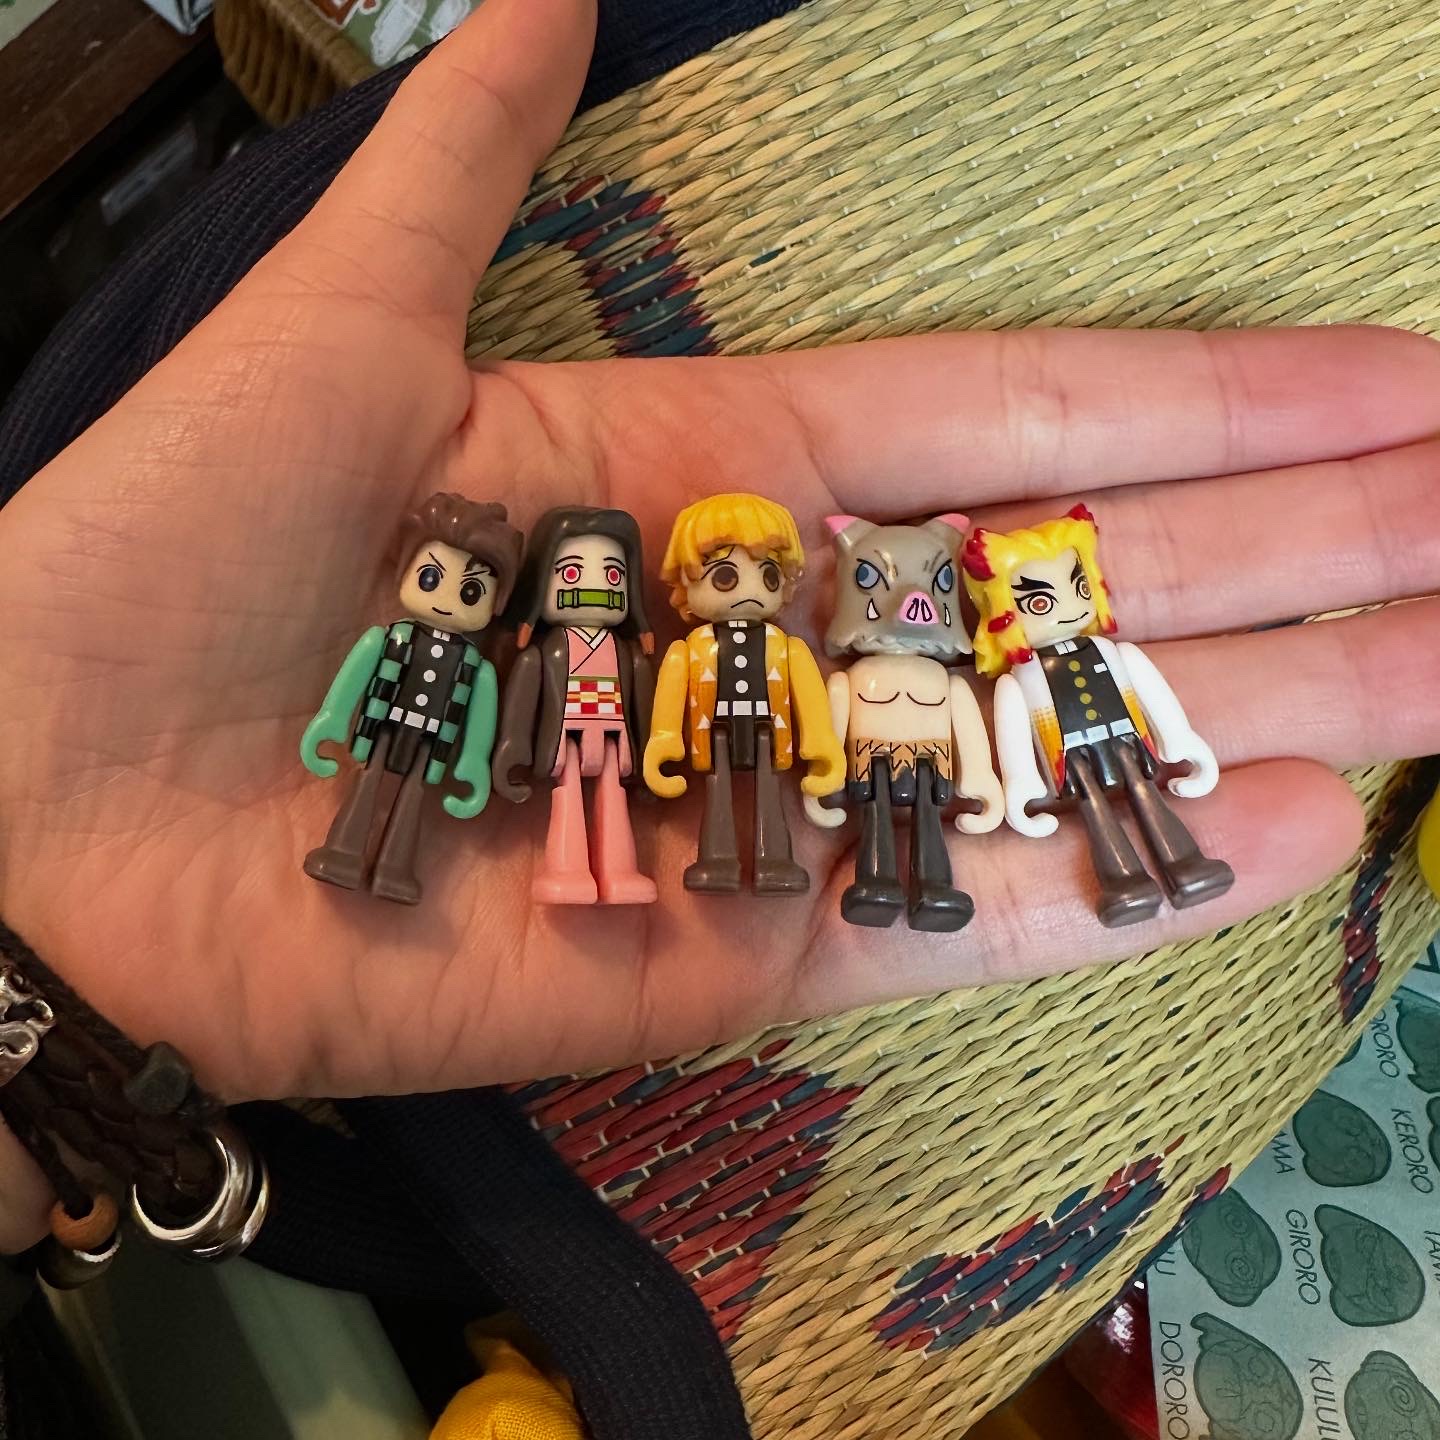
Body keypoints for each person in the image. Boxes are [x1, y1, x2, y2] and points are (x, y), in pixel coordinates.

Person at [2, 0, 1439, 1252]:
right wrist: (483, 757)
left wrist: (935, 763)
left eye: (759, 577)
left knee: (920, 822)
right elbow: (473, 696)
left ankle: (1026, 865)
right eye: (553, 586)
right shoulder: (601, 648)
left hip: (856, 758)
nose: (741, 595)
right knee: (549, 823)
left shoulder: (787, 651)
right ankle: (576, 863)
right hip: (490, 759)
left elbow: (902, 712)